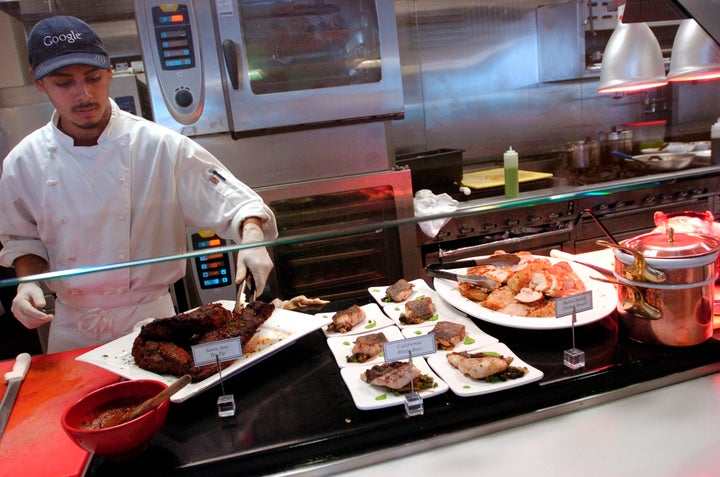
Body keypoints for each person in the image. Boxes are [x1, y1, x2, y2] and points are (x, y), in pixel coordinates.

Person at [0, 16, 278, 353]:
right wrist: (27, 282)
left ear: (110, 72)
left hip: (151, 322)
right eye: (64, 83)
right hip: (72, 328)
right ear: (39, 82)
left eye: (93, 78)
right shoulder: (23, 161)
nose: (84, 94)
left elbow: (238, 204)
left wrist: (251, 239)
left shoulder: (160, 146)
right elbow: (23, 238)